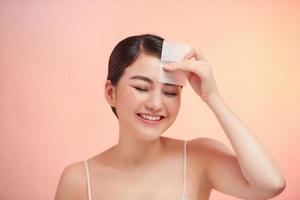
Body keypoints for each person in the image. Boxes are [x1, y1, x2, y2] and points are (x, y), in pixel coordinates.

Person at [55, 34, 286, 200]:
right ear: (110, 92)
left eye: (169, 92)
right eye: (142, 88)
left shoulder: (199, 158)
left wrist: (213, 98)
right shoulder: (78, 179)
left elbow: (271, 185)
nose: (156, 104)